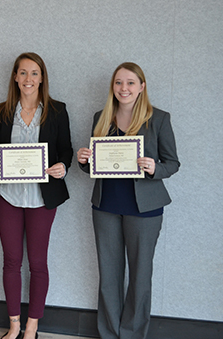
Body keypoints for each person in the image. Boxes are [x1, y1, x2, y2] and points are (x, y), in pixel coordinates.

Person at [77, 62, 180, 339]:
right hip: (106, 206)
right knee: (109, 277)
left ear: (142, 87)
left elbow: (173, 163)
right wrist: (84, 161)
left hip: (144, 209)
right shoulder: (102, 117)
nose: (124, 88)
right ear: (113, 87)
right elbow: (93, 166)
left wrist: (154, 168)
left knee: (140, 277)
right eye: (119, 82)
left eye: (131, 82)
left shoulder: (158, 119)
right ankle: (110, 333)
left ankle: (132, 334)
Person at [0, 53, 73, 339]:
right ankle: (13, 326)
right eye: (23, 73)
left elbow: (66, 150)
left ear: (42, 78)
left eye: (34, 73)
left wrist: (63, 167)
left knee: (37, 263)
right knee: (11, 261)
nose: (28, 79)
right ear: (15, 77)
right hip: (9, 196)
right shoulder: (2, 111)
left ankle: (32, 327)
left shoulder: (57, 111)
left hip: (42, 198)